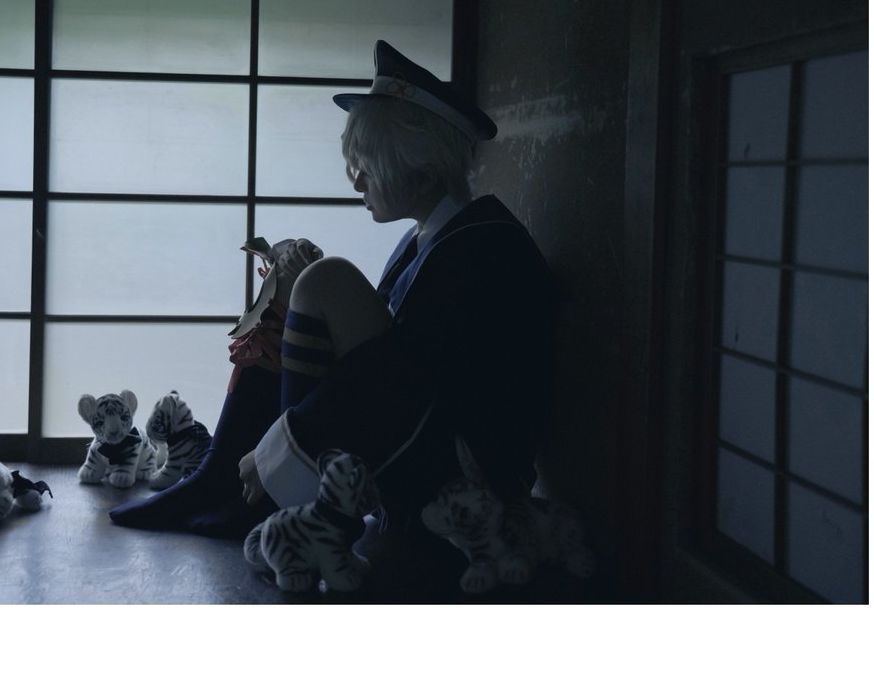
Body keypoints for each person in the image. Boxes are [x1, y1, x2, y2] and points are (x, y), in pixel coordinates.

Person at [110, 40, 554, 557]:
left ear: (425, 168)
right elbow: (389, 361)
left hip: (466, 477)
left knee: (328, 279)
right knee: (298, 281)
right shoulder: (439, 236)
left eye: (368, 165)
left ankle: (273, 496)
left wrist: (276, 450)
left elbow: (399, 376)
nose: (356, 181)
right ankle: (223, 478)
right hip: (420, 433)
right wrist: (298, 285)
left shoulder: (483, 249)